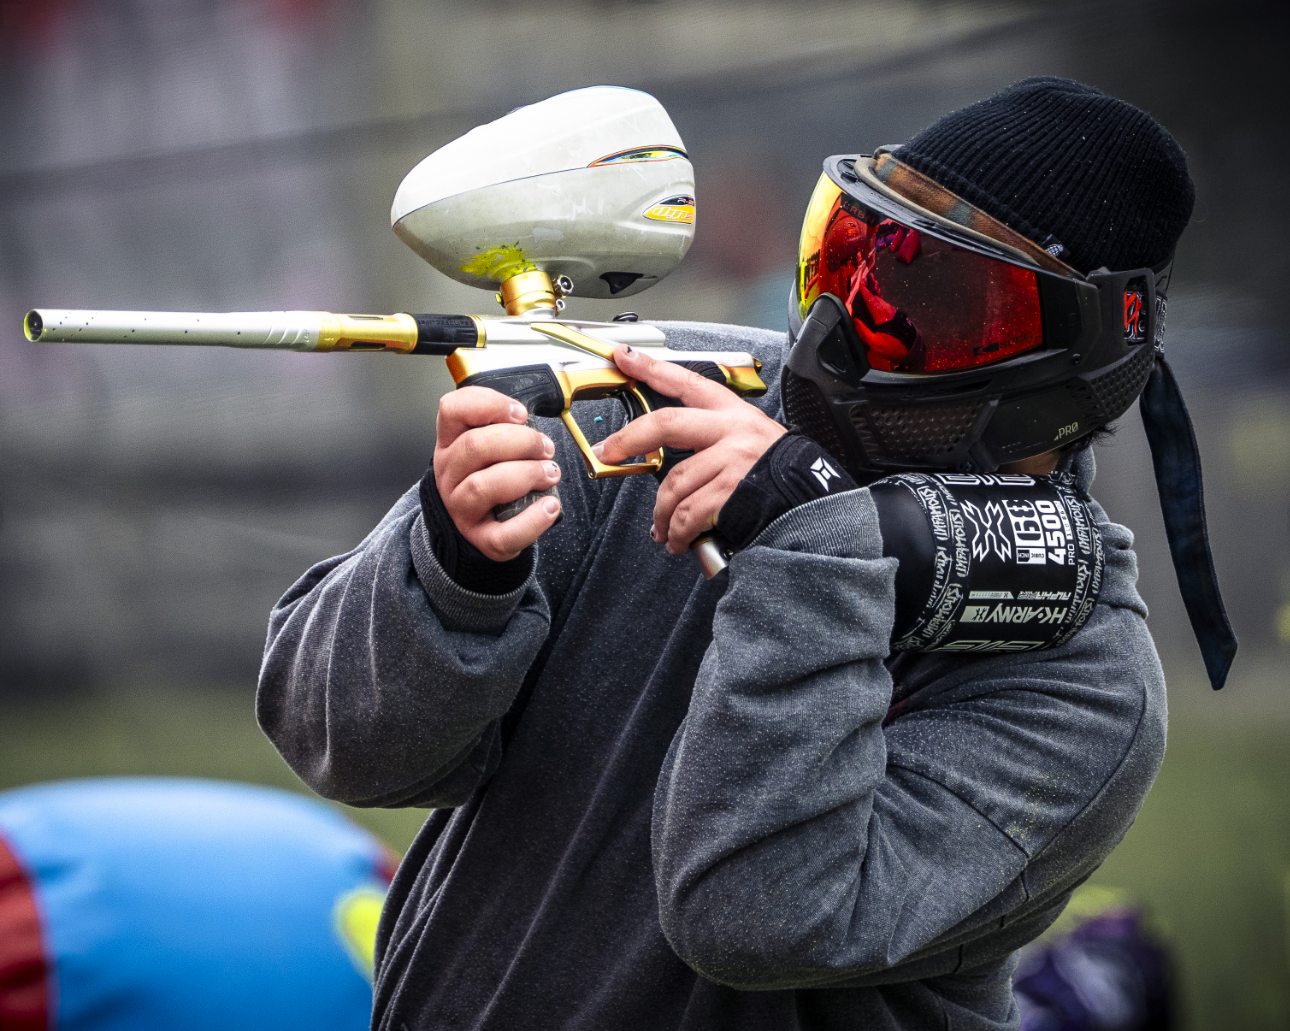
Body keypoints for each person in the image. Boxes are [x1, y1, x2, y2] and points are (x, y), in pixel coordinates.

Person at [258, 78, 1221, 1030]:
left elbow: (751, 913)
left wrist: (814, 542)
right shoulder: (647, 399)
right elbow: (335, 739)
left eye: (932, 294)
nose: (852, 318)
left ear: (1072, 357)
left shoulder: (1085, 681)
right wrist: (457, 572)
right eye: (851, 255)